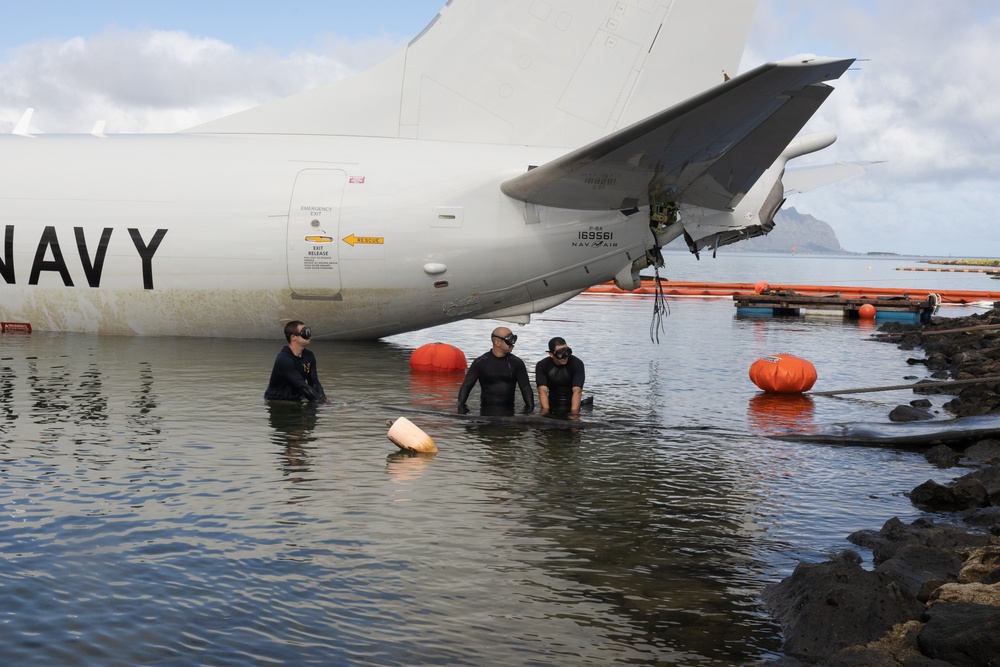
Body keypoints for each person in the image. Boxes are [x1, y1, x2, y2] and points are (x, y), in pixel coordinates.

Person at [457, 327, 534, 414]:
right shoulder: (480, 362)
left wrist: (530, 410)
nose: (512, 343)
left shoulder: (517, 363)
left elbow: (526, 388)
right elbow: (467, 386)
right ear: (497, 342)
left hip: (509, 411)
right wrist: (461, 408)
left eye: (514, 339)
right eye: (510, 339)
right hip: (486, 411)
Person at [264, 321, 330, 403]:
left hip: (296, 399)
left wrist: (324, 398)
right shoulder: (284, 359)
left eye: (308, 331)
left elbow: (314, 382)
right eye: (305, 332)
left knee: (317, 408)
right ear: (293, 337)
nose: (308, 335)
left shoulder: (309, 355)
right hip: (277, 401)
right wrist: (323, 403)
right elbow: (302, 386)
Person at [535, 337, 585, 416]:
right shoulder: (542, 365)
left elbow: (577, 391)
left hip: (572, 406)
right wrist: (545, 412)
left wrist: (574, 415)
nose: (565, 356)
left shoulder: (576, 363)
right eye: (560, 353)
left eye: (567, 352)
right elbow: (542, 391)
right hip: (552, 405)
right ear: (551, 354)